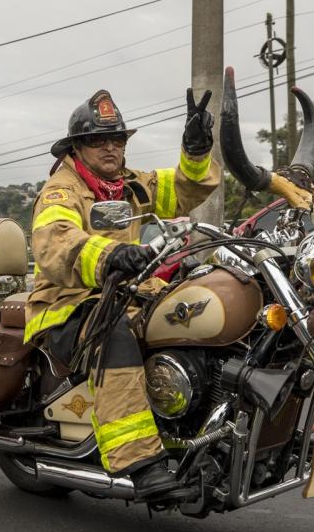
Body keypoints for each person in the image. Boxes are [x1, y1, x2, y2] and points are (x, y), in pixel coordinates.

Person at [25, 88, 221, 500]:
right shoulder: (62, 190)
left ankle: (195, 427)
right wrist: (112, 253)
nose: (111, 147)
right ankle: (140, 462)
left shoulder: (131, 186)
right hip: (70, 304)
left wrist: (197, 150)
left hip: (130, 294)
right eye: (99, 139)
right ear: (78, 146)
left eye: (117, 138)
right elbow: (56, 242)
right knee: (114, 336)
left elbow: (187, 189)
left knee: (195, 310)